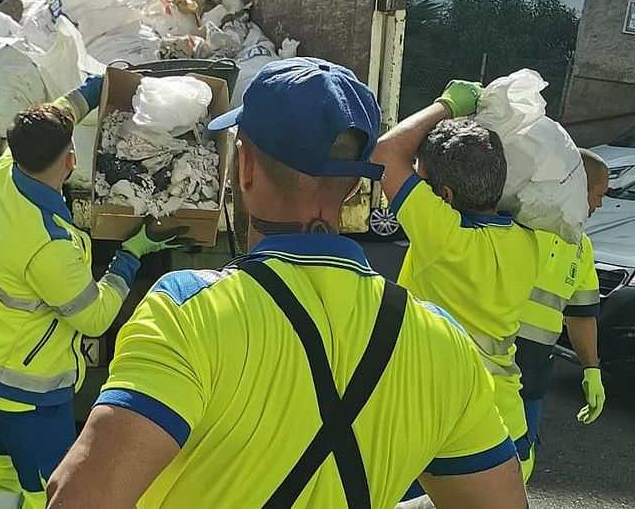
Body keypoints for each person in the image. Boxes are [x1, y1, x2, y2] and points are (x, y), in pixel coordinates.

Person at [47, 58, 527, 509]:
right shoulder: (444, 342)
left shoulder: (187, 313)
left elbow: (80, 498)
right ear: (354, 187)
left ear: (244, 168)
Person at [0, 75, 188, 509]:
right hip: (25, 397)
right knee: (50, 492)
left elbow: (61, 111)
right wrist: (132, 253)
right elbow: (94, 318)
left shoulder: (8, 171)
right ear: (71, 159)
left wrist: (99, 88)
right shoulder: (47, 246)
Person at [372, 81, 541, 491]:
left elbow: (385, 153)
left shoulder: (445, 238)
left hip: (450, 436)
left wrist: (447, 105)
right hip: (511, 431)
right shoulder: (527, 241)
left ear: (444, 196)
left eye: (421, 180)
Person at [514, 148, 608, 476]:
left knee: (519, 464)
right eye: (599, 195)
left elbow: (581, 314)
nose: (600, 205)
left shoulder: (582, 246)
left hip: (532, 375)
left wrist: (592, 369)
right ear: (578, 186)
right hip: (488, 362)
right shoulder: (520, 222)